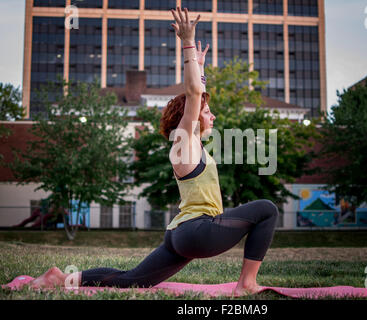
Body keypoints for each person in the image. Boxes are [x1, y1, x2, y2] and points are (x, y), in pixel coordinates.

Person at [29, 7, 278, 297]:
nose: (212, 117)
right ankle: (246, 284)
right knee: (266, 210)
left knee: (132, 280)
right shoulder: (184, 140)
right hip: (197, 231)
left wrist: (200, 69)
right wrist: (187, 44)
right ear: (191, 116)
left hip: (180, 235)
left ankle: (61, 278)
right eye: (207, 112)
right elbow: (194, 96)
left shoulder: (190, 142)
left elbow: (196, 94)